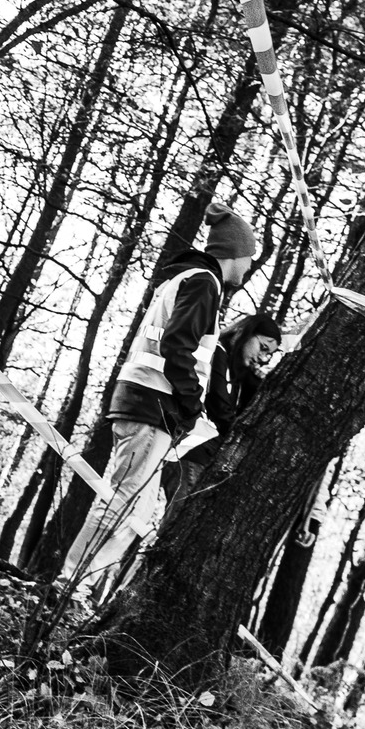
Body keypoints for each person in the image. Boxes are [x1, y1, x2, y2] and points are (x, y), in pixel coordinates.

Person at [59, 203, 258, 594]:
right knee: (122, 499)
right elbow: (176, 345)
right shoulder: (204, 282)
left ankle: (78, 587)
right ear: (235, 253)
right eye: (249, 257)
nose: (250, 266)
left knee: (139, 508)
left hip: (146, 402)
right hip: (154, 405)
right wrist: (191, 403)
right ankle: (70, 585)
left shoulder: (188, 279)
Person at [160, 310, 281, 515]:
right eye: (263, 347)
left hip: (200, 455)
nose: (263, 358)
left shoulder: (237, 375)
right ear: (245, 332)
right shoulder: (216, 353)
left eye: (269, 355)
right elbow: (219, 406)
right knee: (177, 517)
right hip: (189, 452)